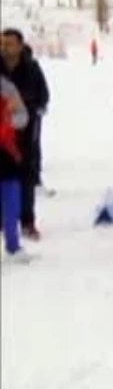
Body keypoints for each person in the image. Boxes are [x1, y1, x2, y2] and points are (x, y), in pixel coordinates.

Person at [1, 28, 50, 240]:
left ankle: (27, 221)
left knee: (26, 178)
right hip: (2, 133)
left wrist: (31, 108)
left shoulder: (32, 69)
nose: (5, 48)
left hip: (26, 132)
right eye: (2, 44)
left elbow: (43, 95)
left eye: (9, 44)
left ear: (20, 46)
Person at [0, 73, 33, 263]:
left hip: (5, 152)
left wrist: (7, 120)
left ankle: (13, 245)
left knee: (11, 200)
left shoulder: (7, 88)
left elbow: (23, 117)